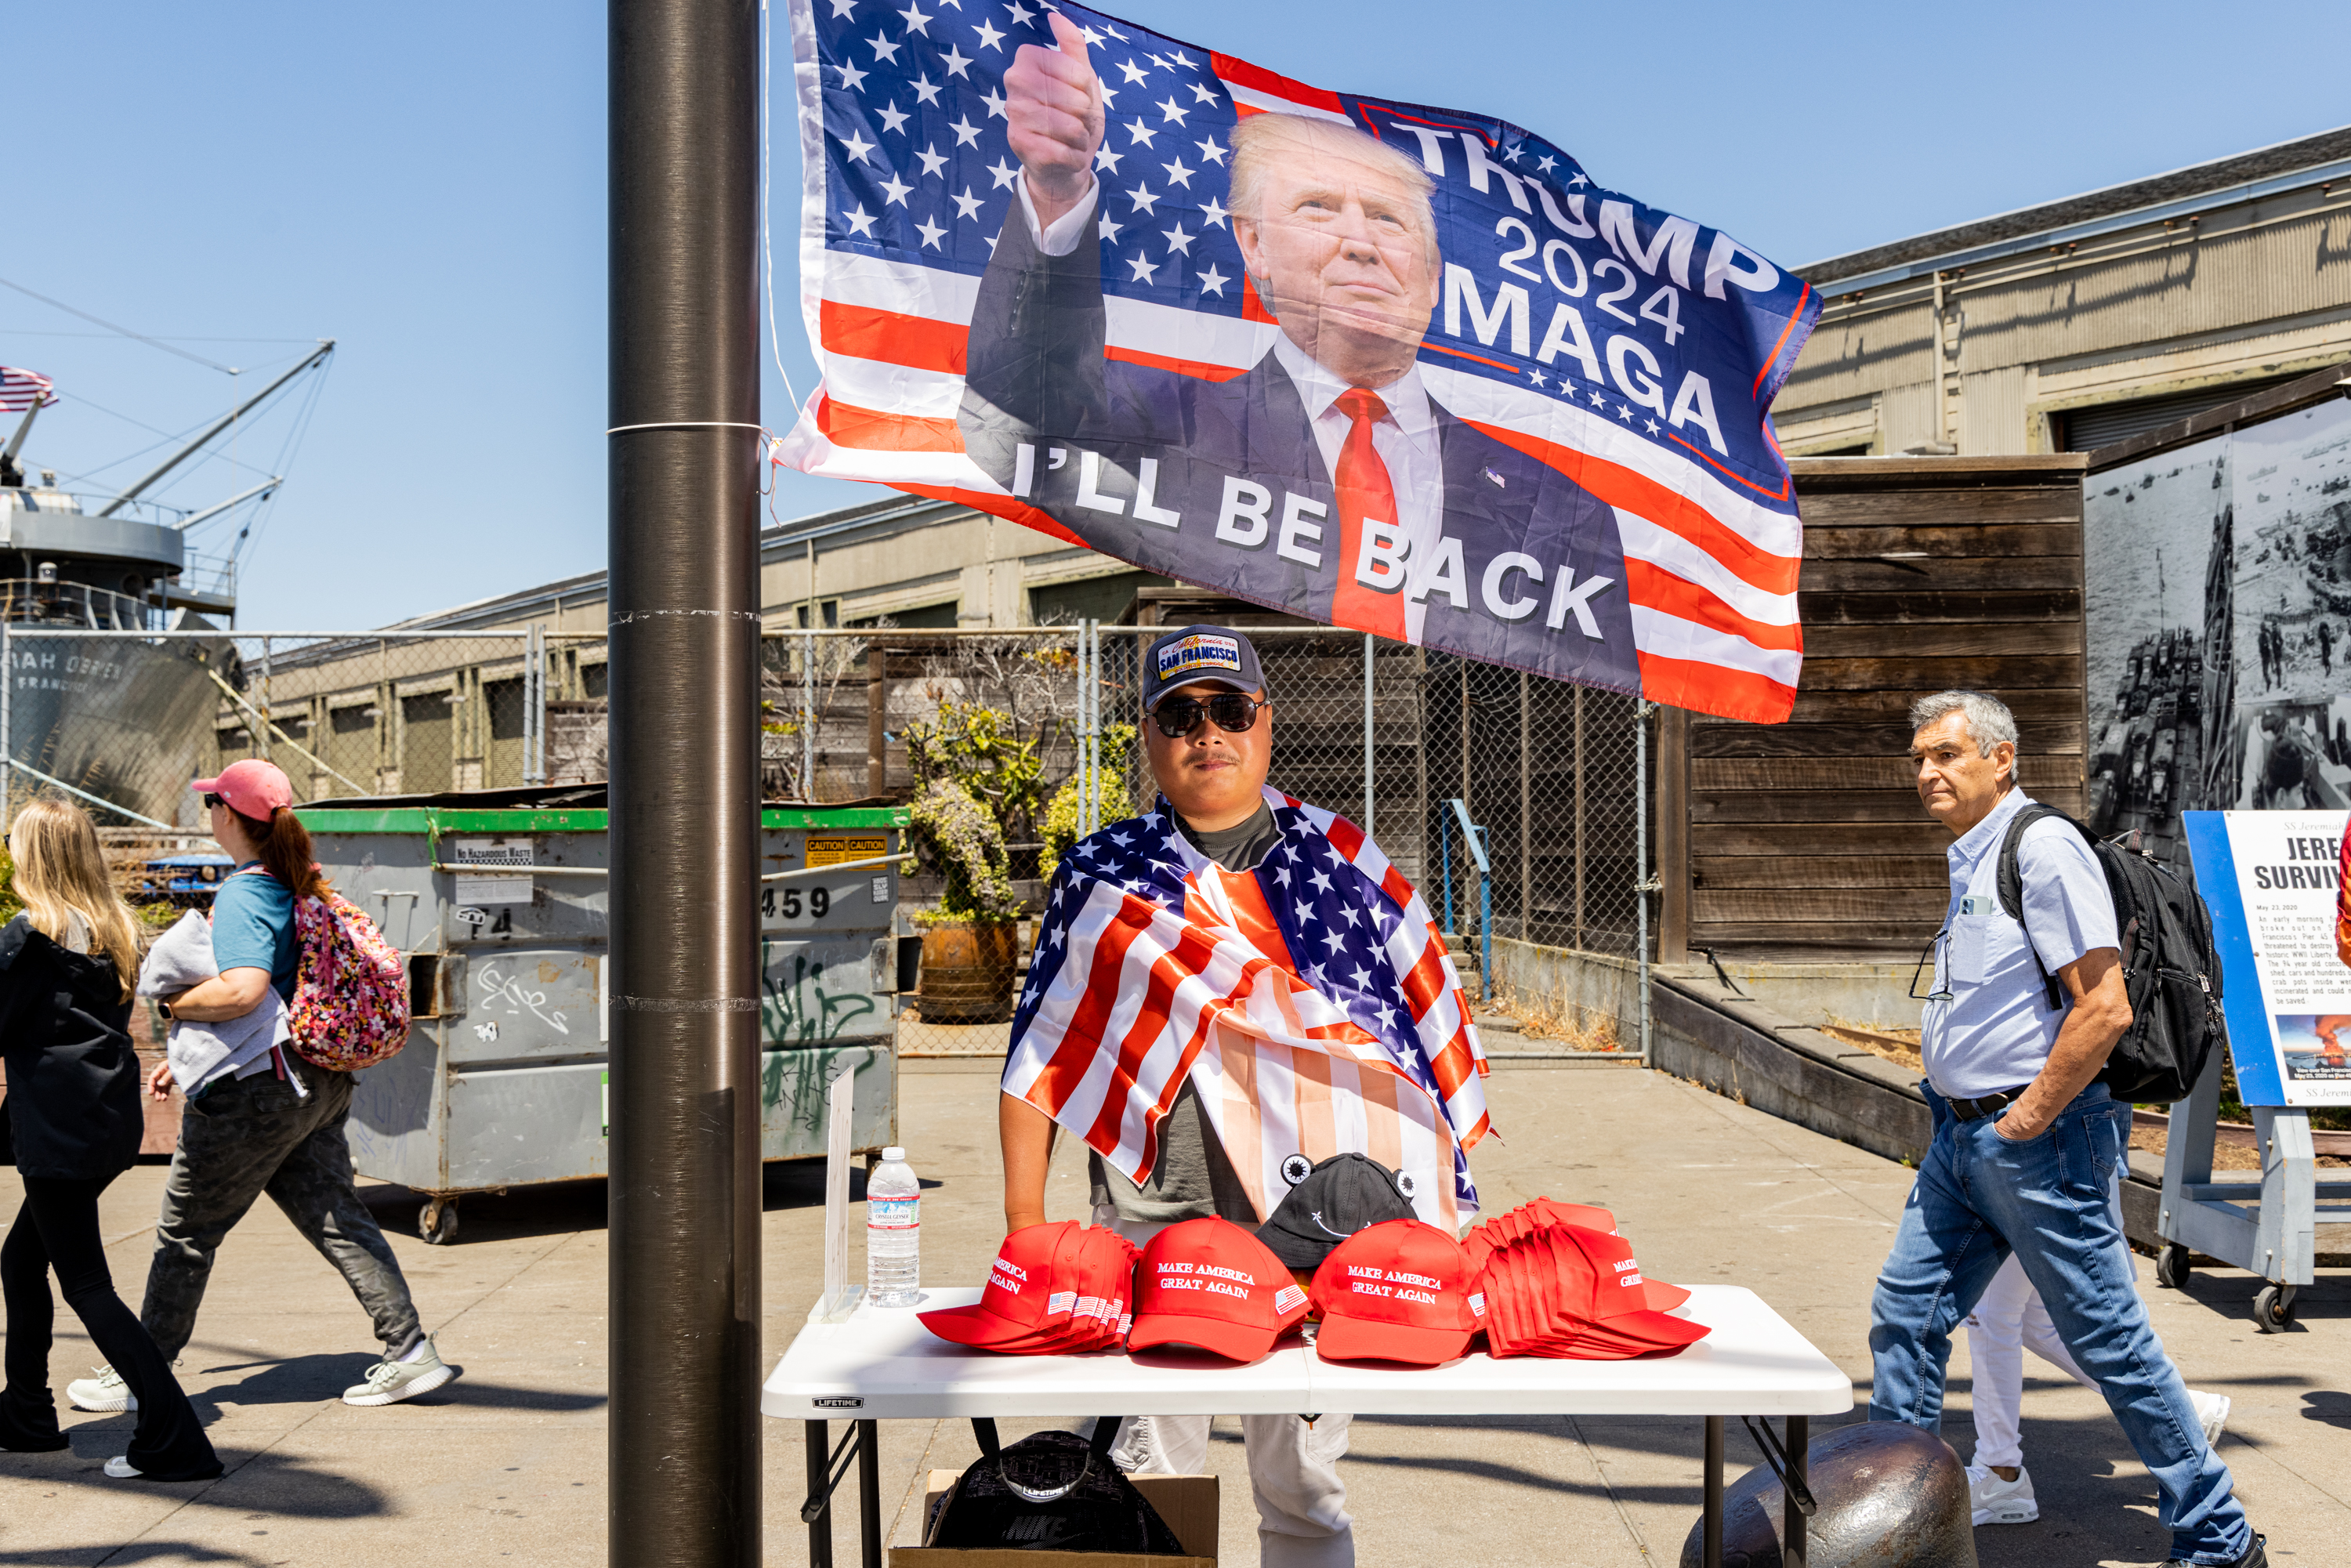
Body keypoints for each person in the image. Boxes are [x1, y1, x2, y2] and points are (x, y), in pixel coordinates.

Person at [1000, 625, 1490, 1568]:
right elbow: (1042, 1052)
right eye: (1181, 716)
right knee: (1145, 1493)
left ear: (1265, 727)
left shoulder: (1343, 869)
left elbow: (1421, 1047)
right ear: (1149, 737)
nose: (1207, 734)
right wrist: (1026, 1221)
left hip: (1314, 1233)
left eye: (1229, 711)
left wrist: (1444, 1211)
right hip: (1154, 1227)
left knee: (1303, 1492)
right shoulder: (1103, 878)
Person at [962, 17, 1637, 682]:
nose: (1360, 242)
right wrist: (1058, 193)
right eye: (1318, 207)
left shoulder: (1563, 514)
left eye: (1386, 218)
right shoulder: (1164, 425)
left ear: (1431, 277)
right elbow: (1016, 423)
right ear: (1253, 246)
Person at [1871, 690, 2262, 1567]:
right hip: (1959, 1141)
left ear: (2002, 758)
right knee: (1905, 1317)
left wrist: (2024, 1121)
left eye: (1947, 754)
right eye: (1920, 759)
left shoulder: (2041, 849)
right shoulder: (1973, 855)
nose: (1928, 772)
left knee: (2110, 1341)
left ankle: (2220, 1537)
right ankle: (1888, 1522)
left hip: (2034, 1141)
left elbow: (2105, 1008)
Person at [66, 759, 452, 1417]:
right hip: (317, 1080)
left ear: (227, 815)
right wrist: (190, 1057)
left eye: (212, 801)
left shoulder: (248, 891)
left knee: (186, 1234)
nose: (207, 811)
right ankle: (411, 1351)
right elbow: (274, 996)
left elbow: (243, 989)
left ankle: (141, 1373)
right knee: (338, 1218)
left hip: (257, 1096)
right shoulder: (299, 881)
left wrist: (176, 1008)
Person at [0, 797, 220, 1480]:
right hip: (104, 1122)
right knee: (20, 1259)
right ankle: (27, 1414)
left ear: (32, 854)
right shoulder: (113, 929)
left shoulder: (29, 934)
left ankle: (174, 1438)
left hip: (57, 1129)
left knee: (88, 1285)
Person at [1962, 1225, 2230, 1524]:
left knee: (1989, 1316)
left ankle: (2000, 1471)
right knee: (2031, 1322)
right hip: (2036, 1188)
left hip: (2028, 1185)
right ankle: (2178, 1408)